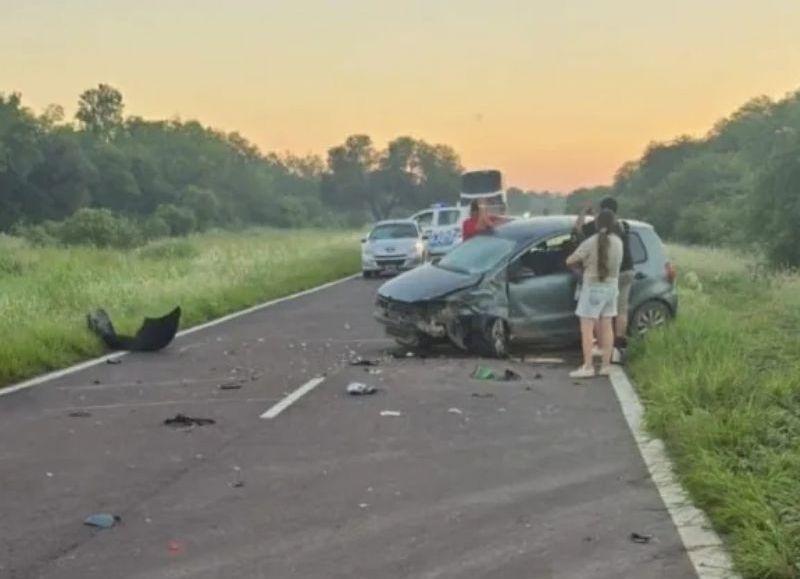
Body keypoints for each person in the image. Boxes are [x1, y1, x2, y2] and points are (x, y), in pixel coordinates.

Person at [566, 208, 623, 378]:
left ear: (597, 224)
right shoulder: (618, 242)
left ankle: (588, 366)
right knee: (607, 325)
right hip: (611, 287)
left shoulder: (590, 242)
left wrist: (582, 267)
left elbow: (570, 260)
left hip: (592, 286)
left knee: (587, 328)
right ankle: (606, 365)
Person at [573, 196, 634, 354]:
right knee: (621, 309)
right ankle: (619, 347)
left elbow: (577, 229)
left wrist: (584, 211)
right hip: (628, 270)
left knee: (602, 311)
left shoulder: (597, 228)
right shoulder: (623, 226)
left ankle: (602, 345)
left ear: (601, 211)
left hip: (610, 273)